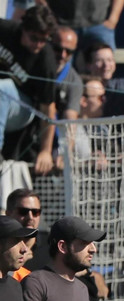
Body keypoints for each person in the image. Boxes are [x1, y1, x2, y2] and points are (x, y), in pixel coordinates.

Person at [0, 5, 58, 175]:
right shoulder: (6, 30)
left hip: (23, 110)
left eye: (44, 40)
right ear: (22, 29)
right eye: (34, 38)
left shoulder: (45, 61)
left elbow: (48, 108)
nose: (39, 44)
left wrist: (46, 151)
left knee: (2, 89)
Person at [4, 190, 50, 277]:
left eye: (35, 212)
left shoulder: (52, 245)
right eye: (23, 211)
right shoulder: (3, 247)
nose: (30, 217)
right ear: (8, 214)